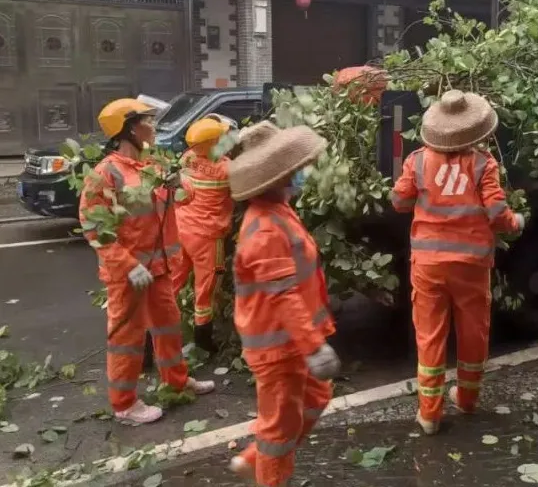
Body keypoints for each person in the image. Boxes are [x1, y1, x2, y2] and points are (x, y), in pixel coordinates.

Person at [391, 90, 524, 435]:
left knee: (430, 336)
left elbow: (398, 202)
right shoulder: (484, 163)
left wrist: (417, 194)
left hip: (428, 264)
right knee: (472, 331)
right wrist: (516, 222)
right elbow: (497, 213)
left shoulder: (417, 160)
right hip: (471, 264)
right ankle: (466, 400)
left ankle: (429, 415)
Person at [79, 99, 216, 425]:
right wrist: (127, 265)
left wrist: (177, 185)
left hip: (159, 268)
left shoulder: (152, 164)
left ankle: (177, 382)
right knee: (127, 339)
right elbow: (93, 226)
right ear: (128, 129)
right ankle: (125, 405)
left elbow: (184, 200)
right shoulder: (106, 173)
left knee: (168, 326)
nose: (153, 128)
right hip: (128, 274)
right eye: (148, 122)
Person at [227, 121, 341, 487]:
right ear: (278, 177)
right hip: (279, 347)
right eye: (294, 170)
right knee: (279, 429)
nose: (300, 174)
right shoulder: (264, 230)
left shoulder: (279, 211)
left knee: (317, 397)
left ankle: (253, 460)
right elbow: (283, 295)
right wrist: (314, 348)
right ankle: (268, 474)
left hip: (294, 341)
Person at [174, 116, 234, 353]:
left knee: (173, 282)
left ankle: (153, 331)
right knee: (207, 289)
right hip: (208, 237)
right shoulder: (225, 169)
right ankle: (204, 341)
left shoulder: (186, 158)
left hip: (181, 230)